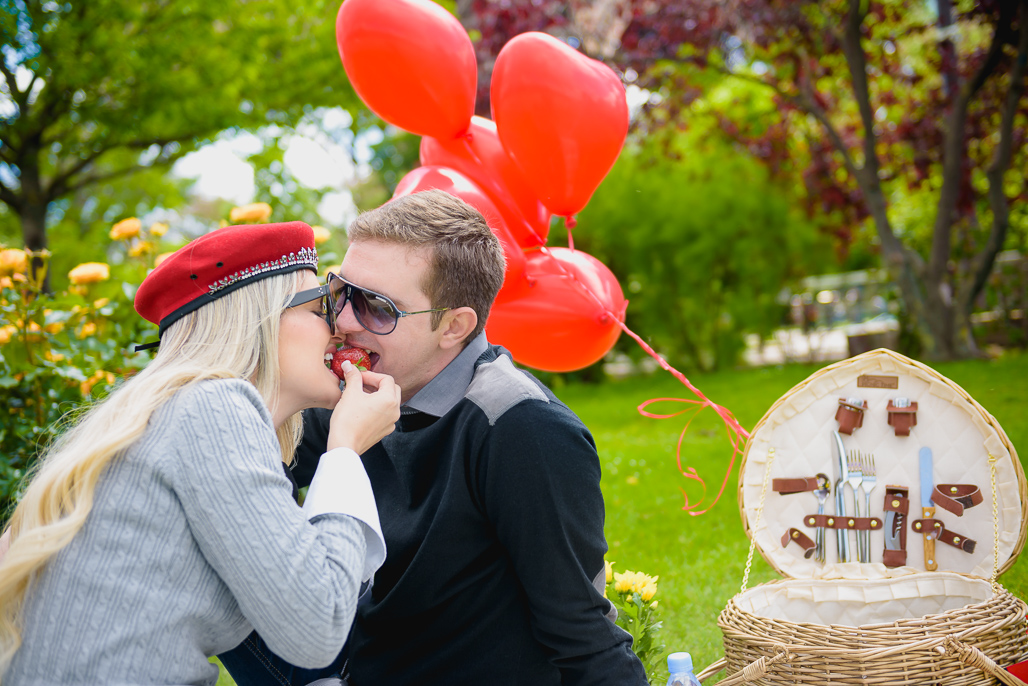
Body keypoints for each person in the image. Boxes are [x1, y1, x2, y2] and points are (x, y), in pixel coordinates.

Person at [220, 190, 647, 685]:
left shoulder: (521, 428)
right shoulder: (357, 391)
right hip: (353, 658)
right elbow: (239, 491)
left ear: (454, 326)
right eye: (340, 293)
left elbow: (580, 629)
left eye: (377, 308)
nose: (345, 321)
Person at [0, 221, 401, 685]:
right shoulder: (215, 406)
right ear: (258, 321)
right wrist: (345, 451)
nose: (340, 329)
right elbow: (317, 627)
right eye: (319, 308)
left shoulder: (174, 410)